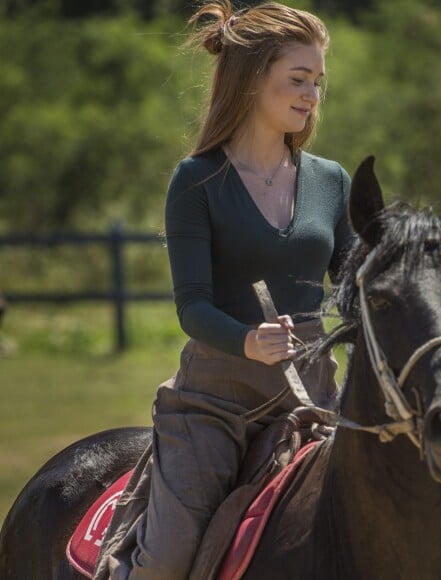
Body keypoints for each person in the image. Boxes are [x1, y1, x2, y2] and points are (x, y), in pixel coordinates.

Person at [99, 1, 353, 578]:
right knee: (164, 561)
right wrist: (248, 342)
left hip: (316, 400)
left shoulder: (331, 181)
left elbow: (354, 287)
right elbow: (192, 306)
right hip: (214, 405)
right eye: (297, 79)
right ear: (250, 78)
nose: (312, 94)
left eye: (318, 81)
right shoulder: (197, 180)